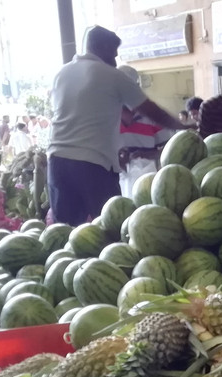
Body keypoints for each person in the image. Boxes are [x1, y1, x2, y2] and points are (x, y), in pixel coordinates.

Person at [48, 25, 182, 226]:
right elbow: (151, 110)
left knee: (65, 231)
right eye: (113, 52)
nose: (116, 59)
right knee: (112, 227)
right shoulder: (112, 75)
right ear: (102, 47)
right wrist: (183, 126)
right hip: (92, 163)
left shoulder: (62, 73)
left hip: (57, 162)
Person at [117, 64, 172, 196]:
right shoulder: (105, 119)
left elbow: (169, 150)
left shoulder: (153, 117)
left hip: (147, 180)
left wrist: (146, 154)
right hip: (117, 184)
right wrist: (116, 159)